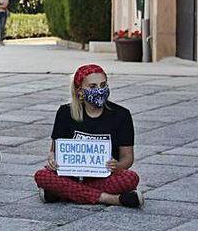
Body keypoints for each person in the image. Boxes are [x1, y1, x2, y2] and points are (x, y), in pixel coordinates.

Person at [33, 65, 143, 208]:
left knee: (130, 178)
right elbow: (54, 151)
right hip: (70, 175)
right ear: (80, 91)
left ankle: (62, 193)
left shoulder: (121, 115)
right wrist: (53, 160)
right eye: (92, 86)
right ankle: (111, 199)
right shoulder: (65, 113)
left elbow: (127, 158)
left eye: (103, 85)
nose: (99, 90)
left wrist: (117, 166)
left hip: (104, 176)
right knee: (42, 175)